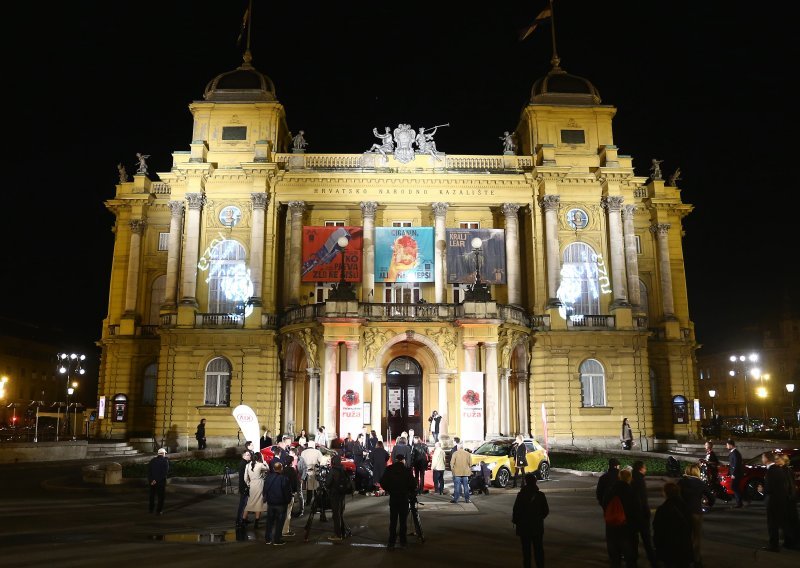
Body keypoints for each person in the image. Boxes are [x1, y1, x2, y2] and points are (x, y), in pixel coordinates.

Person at [602, 468, 639, 568]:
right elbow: (636, 511)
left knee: (615, 559)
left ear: (619, 477)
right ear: (629, 478)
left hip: (611, 527)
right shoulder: (631, 491)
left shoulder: (610, 490)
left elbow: (605, 506)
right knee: (630, 558)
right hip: (626, 528)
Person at [677, 463, 713, 567]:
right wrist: (708, 504)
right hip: (696, 512)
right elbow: (711, 497)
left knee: (684, 535)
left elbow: (675, 495)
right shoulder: (700, 483)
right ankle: (696, 559)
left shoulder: (681, 482)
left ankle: (685, 558)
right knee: (696, 537)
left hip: (683, 513)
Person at [380, 453, 417, 549]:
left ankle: (391, 542)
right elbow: (413, 484)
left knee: (393, 520)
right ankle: (403, 541)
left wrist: (390, 490)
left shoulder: (389, 469)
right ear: (403, 460)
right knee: (403, 521)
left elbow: (383, 482)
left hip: (394, 497)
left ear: (395, 460)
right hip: (403, 497)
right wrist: (408, 491)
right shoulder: (406, 470)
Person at [652, 482, 693, 568]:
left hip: (668, 548)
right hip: (683, 547)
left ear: (665, 493)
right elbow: (690, 525)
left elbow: (657, 529)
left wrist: (657, 548)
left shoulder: (662, 509)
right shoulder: (685, 507)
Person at [513, 473, 549, 568]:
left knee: (526, 551)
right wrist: (539, 518)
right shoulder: (540, 495)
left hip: (524, 527)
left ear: (526, 482)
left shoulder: (521, 495)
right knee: (538, 550)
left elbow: (516, 510)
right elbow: (546, 511)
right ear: (535, 482)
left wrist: (517, 521)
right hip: (537, 527)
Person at [760, 451, 790, 552]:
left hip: (773, 501)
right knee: (778, 523)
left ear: (767, 459)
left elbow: (770, 488)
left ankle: (774, 545)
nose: (762, 460)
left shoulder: (771, 471)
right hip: (780, 500)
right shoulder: (778, 469)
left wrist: (762, 490)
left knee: (772, 524)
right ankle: (781, 542)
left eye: (763, 458)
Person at [631, 460, 657, 567]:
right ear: (641, 469)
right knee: (646, 539)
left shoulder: (631, 478)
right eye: (645, 467)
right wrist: (646, 513)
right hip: (641, 515)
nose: (646, 469)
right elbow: (642, 499)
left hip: (632, 514)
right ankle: (653, 561)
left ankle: (633, 561)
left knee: (633, 540)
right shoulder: (640, 480)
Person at [263, 461, 291, 545]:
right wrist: (288, 500)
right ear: (281, 468)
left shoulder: (268, 477)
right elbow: (287, 491)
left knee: (269, 521)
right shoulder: (284, 478)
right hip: (281, 503)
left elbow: (265, 489)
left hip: (271, 502)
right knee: (280, 522)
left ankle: (268, 538)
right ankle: (277, 539)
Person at [325, 454, 351, 541]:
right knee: (340, 513)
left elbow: (328, 483)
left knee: (336, 515)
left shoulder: (333, 470)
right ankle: (343, 532)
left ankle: (338, 534)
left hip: (335, 494)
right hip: (342, 494)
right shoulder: (343, 469)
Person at [243, 451, 268, 528]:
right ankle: (256, 522)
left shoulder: (247, 465)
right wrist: (264, 461)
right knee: (259, 502)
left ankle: (243, 520)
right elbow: (268, 469)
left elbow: (245, 478)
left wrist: (248, 484)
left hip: (252, 484)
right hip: (259, 484)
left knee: (250, 502)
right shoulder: (260, 465)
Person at [301, 440, 324, 508]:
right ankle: (317, 502)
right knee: (316, 487)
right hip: (315, 471)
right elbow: (321, 461)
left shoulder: (303, 452)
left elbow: (302, 463)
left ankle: (308, 501)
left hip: (307, 472)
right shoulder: (317, 452)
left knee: (309, 488)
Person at [282, 454, 300, 539]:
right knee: (288, 513)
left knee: (282, 512)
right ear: (291, 462)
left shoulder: (282, 470)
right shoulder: (292, 470)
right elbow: (294, 483)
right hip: (289, 494)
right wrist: (295, 492)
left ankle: (281, 529)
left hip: (281, 494)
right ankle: (285, 530)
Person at [147, 448, 169, 515]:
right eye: (165, 453)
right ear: (163, 453)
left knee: (152, 496)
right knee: (160, 497)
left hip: (152, 482)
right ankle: (159, 511)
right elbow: (164, 473)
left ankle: (151, 510)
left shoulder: (152, 460)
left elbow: (149, 471)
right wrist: (156, 480)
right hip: (160, 482)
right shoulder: (165, 461)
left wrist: (152, 480)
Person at [235, 449, 253, 526]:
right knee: (242, 505)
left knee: (245, 504)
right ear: (243, 456)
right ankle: (239, 521)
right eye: (248, 455)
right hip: (244, 487)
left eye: (249, 455)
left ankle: (243, 519)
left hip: (243, 486)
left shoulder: (244, 463)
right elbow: (244, 478)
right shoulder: (244, 464)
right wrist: (247, 486)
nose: (249, 456)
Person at [726, 438, 744, 508]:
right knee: (735, 487)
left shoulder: (735, 453)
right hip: (735, 473)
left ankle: (739, 503)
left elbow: (736, 464)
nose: (726, 447)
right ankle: (741, 501)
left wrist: (734, 474)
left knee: (734, 487)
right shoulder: (733, 452)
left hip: (736, 474)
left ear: (731, 445)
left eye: (727, 445)